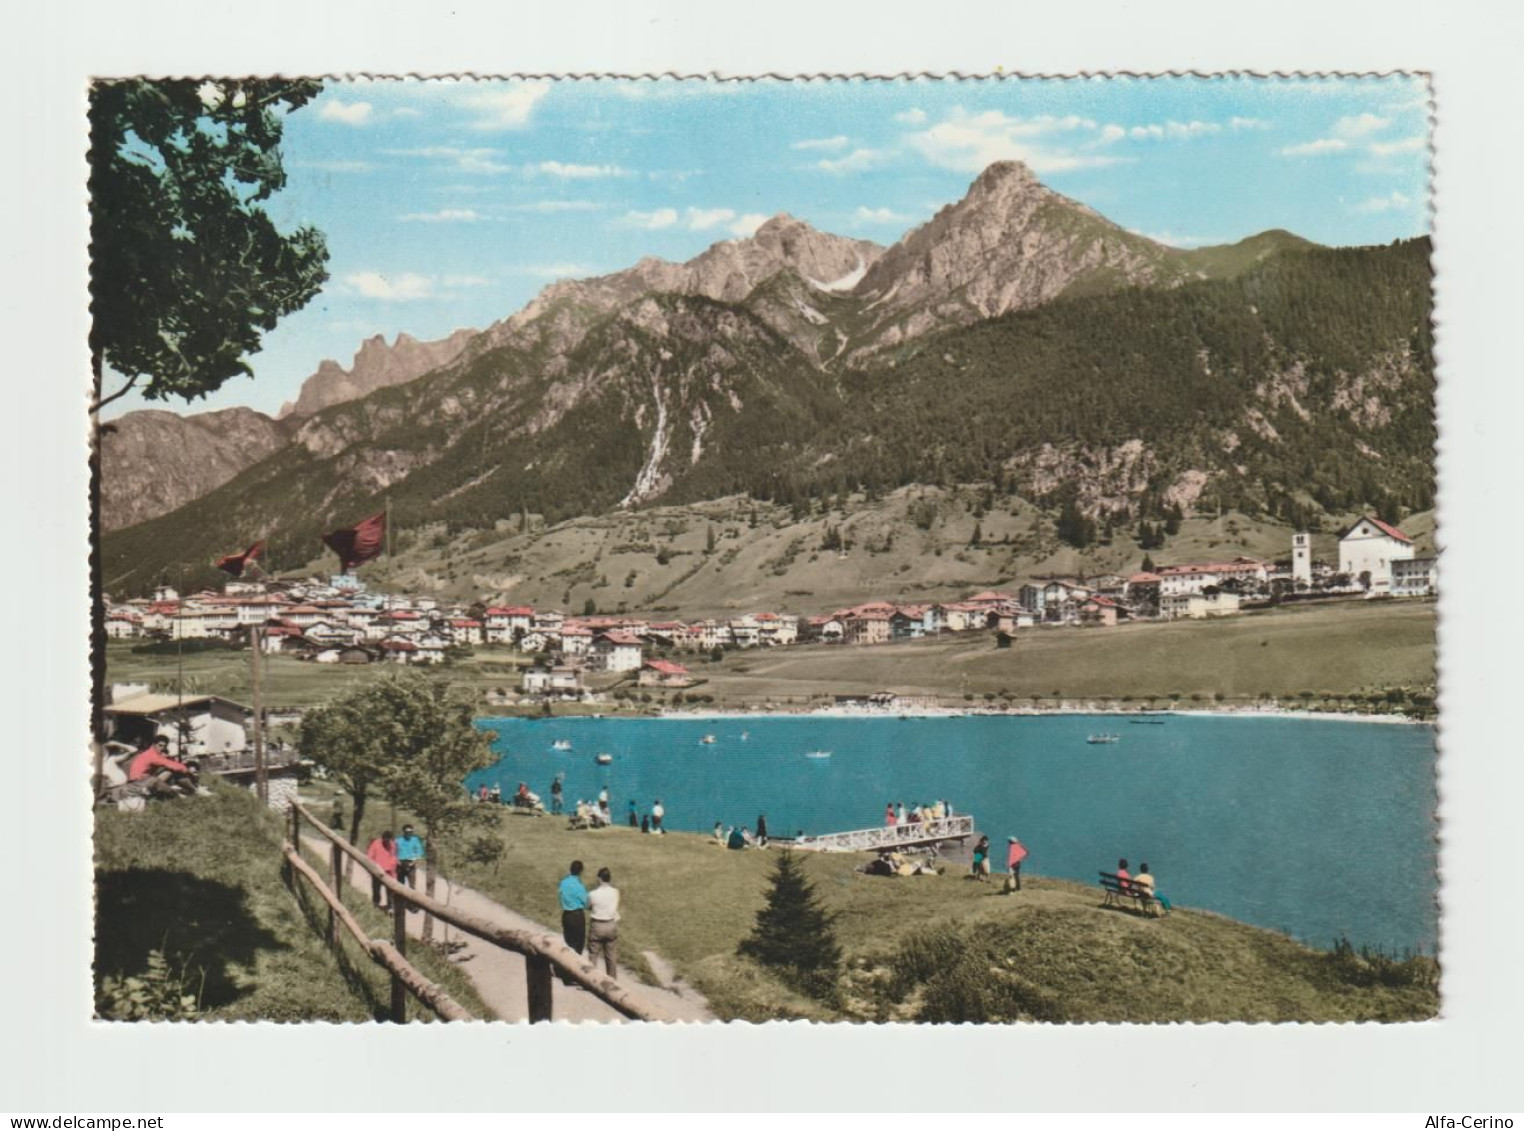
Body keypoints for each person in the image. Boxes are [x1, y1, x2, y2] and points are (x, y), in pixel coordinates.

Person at [127, 737, 196, 796]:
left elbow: (167, 761)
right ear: (154, 745)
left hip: (138, 780)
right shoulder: (152, 755)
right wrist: (188, 770)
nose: (162, 748)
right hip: (141, 782)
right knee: (171, 770)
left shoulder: (149, 753)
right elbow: (172, 765)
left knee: (169, 770)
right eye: (160, 745)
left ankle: (189, 788)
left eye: (164, 746)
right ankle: (192, 789)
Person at [558, 861, 590, 982]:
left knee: (569, 942)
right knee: (578, 945)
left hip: (567, 915)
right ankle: (573, 973)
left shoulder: (563, 883)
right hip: (577, 915)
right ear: (580, 871)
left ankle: (566, 971)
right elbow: (586, 903)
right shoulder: (579, 886)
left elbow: (561, 897)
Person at [587, 867, 621, 977]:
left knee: (593, 953)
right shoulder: (615, 892)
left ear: (600, 879)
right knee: (611, 955)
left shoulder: (592, 894)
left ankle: (591, 979)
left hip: (597, 924)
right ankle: (612, 979)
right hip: (611, 924)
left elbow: (588, 906)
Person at [365, 831, 399, 910]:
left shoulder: (392, 845)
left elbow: (394, 857)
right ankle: (376, 905)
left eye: (389, 840)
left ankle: (390, 906)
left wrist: (392, 870)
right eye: (386, 840)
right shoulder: (376, 844)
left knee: (390, 890)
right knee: (376, 889)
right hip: (377, 871)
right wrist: (372, 868)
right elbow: (370, 856)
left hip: (388, 872)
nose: (387, 842)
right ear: (383, 838)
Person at [395, 825, 425, 900]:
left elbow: (419, 852)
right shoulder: (398, 840)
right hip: (400, 863)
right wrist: (397, 861)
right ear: (404, 832)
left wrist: (414, 862)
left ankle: (412, 902)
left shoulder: (415, 840)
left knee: (412, 885)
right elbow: (393, 852)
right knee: (400, 884)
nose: (409, 833)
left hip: (411, 862)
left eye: (411, 832)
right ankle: (400, 900)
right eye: (407, 832)